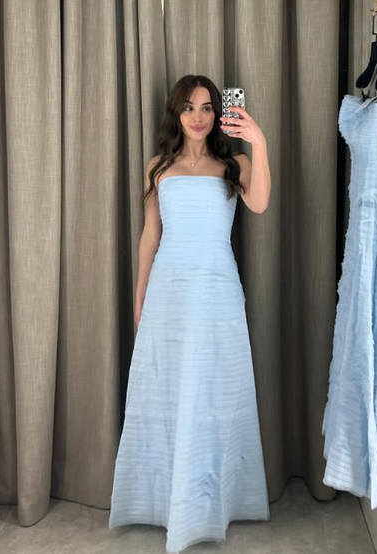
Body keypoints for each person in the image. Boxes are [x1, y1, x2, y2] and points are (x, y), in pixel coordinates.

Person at [109, 74, 272, 553]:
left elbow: (260, 204)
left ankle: (212, 503)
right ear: (175, 113)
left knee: (216, 391)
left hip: (218, 291)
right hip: (169, 291)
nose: (197, 117)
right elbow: (150, 234)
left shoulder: (235, 164)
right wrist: (140, 295)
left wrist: (258, 141)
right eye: (188, 107)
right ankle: (165, 502)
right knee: (168, 391)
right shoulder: (158, 166)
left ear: (218, 114)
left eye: (206, 108)